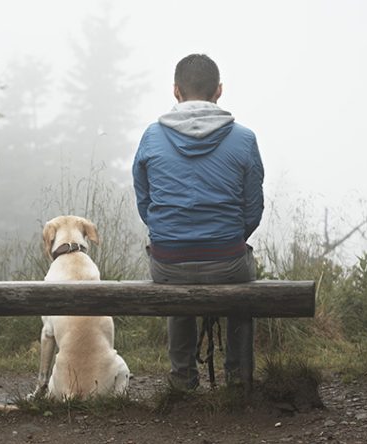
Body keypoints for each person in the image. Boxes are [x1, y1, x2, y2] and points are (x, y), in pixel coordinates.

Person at [132, 54, 264, 390]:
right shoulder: (244, 139)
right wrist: (227, 239)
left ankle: (182, 380)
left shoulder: (151, 137)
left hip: (168, 263)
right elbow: (253, 208)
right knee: (241, 284)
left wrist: (171, 235)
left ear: (176, 91)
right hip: (228, 262)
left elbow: (145, 201)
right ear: (219, 91)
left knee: (176, 282)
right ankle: (238, 380)